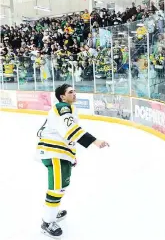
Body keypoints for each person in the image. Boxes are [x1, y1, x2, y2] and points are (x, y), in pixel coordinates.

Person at [36, 84, 110, 238]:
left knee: (61, 186)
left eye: (74, 91)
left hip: (61, 153)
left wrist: (71, 155)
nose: (74, 93)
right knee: (56, 188)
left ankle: (52, 212)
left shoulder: (67, 109)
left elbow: (63, 134)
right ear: (62, 96)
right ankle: (47, 222)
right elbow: (70, 130)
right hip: (54, 152)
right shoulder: (62, 107)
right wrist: (95, 141)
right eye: (70, 92)